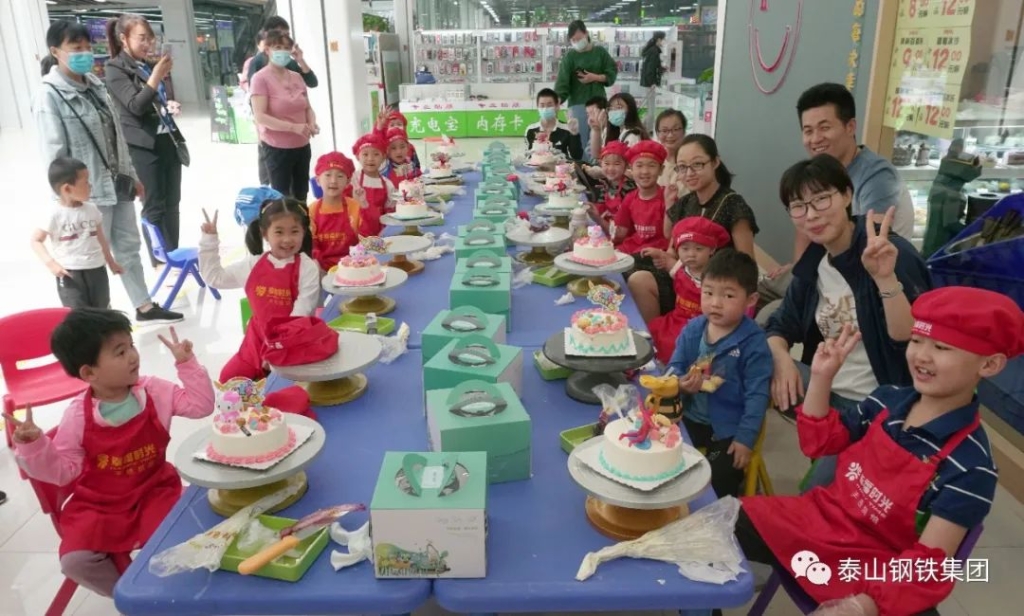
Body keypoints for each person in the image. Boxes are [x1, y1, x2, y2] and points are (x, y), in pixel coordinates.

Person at [735, 286, 1023, 616]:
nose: (921, 356)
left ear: (990, 364)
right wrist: (821, 378)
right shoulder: (887, 401)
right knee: (718, 526)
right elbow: (820, 442)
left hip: (878, 569)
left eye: (941, 347)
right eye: (917, 341)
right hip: (816, 522)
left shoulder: (972, 467)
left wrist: (862, 605)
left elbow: (929, 564)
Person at [5, 308, 214, 598]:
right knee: (75, 562)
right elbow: (61, 472)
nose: (133, 356)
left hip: (155, 489)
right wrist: (34, 445)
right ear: (88, 373)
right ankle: (132, 595)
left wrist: (187, 363)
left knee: (189, 531)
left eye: (131, 345)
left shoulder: (153, 391)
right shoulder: (78, 416)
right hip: (99, 505)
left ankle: (180, 590)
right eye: (120, 352)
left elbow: (200, 406)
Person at [766, 155, 931, 489]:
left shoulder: (887, 252)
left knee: (818, 495)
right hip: (826, 389)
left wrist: (884, 279)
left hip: (878, 404)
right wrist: (782, 360)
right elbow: (780, 324)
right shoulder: (815, 261)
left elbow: (914, 337)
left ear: (846, 195)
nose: (811, 215)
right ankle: (732, 455)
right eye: (799, 206)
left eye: (821, 199)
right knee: (747, 358)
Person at [34, 20, 183, 324]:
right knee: (89, 256)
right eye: (76, 48)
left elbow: (117, 135)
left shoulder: (96, 85)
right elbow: (54, 154)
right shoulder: (49, 95)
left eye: (87, 47)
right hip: (86, 190)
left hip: (118, 183)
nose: (84, 53)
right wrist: (68, 199)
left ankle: (144, 306)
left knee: (128, 246)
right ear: (55, 51)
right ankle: (95, 320)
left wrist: (133, 175)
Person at [764, 83, 917, 299]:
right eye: (808, 131)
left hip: (867, 279)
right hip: (827, 269)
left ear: (850, 127)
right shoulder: (819, 171)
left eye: (824, 128)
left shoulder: (877, 175)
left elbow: (871, 238)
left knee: (766, 312)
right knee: (752, 290)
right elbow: (805, 228)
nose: (815, 139)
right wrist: (801, 274)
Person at [668, 249, 771, 497]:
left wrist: (745, 438)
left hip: (728, 428)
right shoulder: (694, 329)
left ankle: (719, 512)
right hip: (689, 415)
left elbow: (757, 396)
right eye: (708, 292)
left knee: (720, 476)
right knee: (663, 458)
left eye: (728, 295)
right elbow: (674, 367)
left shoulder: (754, 343)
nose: (715, 303)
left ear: (750, 300)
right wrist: (680, 383)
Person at [630, 134, 758, 322]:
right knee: (631, 271)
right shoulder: (686, 202)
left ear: (715, 162)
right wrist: (667, 256)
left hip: (714, 290)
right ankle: (651, 333)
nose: (689, 173)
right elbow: (671, 241)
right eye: (682, 167)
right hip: (682, 279)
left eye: (697, 164)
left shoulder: (733, 205)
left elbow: (747, 264)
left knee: (637, 277)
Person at [199, 199, 320, 382]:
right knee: (228, 380)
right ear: (265, 234)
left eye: (294, 231)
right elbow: (215, 278)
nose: (287, 239)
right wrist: (209, 242)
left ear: (304, 232)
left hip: (293, 344)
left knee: (284, 391)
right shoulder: (252, 264)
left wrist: (275, 351)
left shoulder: (307, 267)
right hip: (256, 343)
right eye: (279, 232)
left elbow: (301, 313)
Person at [104, 13, 185, 269]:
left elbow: (153, 100)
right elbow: (135, 106)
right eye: (142, 38)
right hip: (143, 147)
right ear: (123, 38)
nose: (148, 44)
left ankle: (173, 254)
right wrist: (156, 76)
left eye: (150, 38)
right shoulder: (115, 69)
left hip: (166, 139)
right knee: (153, 204)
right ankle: (160, 261)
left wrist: (168, 104)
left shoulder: (147, 64)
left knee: (172, 202)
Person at [32, 157, 123, 308]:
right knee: (77, 313)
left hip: (96, 269)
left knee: (102, 309)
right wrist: (51, 264)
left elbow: (100, 238)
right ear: (67, 189)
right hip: (70, 273)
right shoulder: (54, 214)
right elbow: (36, 240)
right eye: (86, 182)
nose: (90, 185)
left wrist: (111, 261)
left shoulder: (91, 209)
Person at [649, 217, 730, 365]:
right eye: (685, 249)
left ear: (712, 250)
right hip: (675, 318)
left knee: (678, 344)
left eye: (699, 249)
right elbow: (666, 262)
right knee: (652, 332)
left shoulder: (716, 275)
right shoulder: (680, 268)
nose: (691, 254)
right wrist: (658, 254)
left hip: (701, 325)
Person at [250, 30, 318, 201]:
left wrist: (311, 123)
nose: (282, 51)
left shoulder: (297, 77)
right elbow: (260, 116)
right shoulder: (260, 78)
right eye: (278, 47)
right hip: (277, 148)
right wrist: (293, 127)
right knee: (282, 197)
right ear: (267, 50)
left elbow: (307, 107)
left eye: (287, 48)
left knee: (301, 193)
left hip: (302, 145)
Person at [554, 20, 617, 160]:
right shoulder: (570, 57)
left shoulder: (600, 52)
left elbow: (611, 73)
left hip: (598, 104)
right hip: (577, 105)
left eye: (579, 38)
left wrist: (595, 77)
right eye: (573, 40)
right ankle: (582, 170)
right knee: (580, 144)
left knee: (601, 140)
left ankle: (600, 170)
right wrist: (555, 101)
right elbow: (562, 83)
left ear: (586, 33)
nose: (577, 42)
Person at [309, 152, 378, 271]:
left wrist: (364, 205)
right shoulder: (311, 210)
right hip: (322, 269)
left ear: (348, 182)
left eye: (340, 176)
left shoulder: (355, 206)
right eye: (328, 175)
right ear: (318, 180)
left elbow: (368, 239)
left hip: (355, 266)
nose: (333, 181)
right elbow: (311, 245)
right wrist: (322, 268)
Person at [615, 142, 669, 288]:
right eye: (639, 165)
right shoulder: (630, 198)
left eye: (651, 166)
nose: (645, 171)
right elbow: (620, 233)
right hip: (633, 249)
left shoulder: (668, 197)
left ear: (661, 170)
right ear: (631, 169)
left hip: (656, 255)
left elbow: (672, 235)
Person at [585, 141, 636, 234]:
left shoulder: (629, 187)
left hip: (622, 232)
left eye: (617, 164)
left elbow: (628, 220)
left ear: (626, 166)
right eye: (607, 163)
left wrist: (599, 219)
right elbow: (601, 205)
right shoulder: (606, 183)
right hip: (608, 225)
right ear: (601, 164)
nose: (611, 168)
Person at [525, 88, 583, 160]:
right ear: (537, 107)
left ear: (557, 106)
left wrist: (574, 134)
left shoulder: (566, 129)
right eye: (542, 105)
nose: (545, 109)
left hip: (562, 166)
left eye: (549, 105)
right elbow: (528, 157)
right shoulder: (530, 130)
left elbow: (577, 156)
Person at [589, 92, 649, 158]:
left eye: (619, 107)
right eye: (611, 109)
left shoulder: (633, 135)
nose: (614, 111)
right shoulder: (613, 132)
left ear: (630, 109)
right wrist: (596, 129)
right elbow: (597, 155)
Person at [347, 133, 392, 215]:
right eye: (365, 154)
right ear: (357, 157)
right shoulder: (353, 179)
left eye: (376, 154)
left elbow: (390, 211)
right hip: (357, 222)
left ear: (383, 157)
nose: (370, 159)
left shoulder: (388, 184)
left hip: (380, 222)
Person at [639, 31, 667, 132]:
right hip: (650, 83)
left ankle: (644, 126)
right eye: (663, 39)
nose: (664, 41)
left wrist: (661, 69)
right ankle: (649, 129)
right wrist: (652, 83)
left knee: (650, 106)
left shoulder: (651, 50)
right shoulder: (654, 51)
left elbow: (652, 66)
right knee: (651, 108)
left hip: (648, 82)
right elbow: (651, 69)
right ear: (659, 40)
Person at [654, 109, 687, 188]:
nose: (670, 135)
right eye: (664, 130)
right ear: (657, 134)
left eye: (675, 129)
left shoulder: (691, 162)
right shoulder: (653, 161)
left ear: (684, 131)